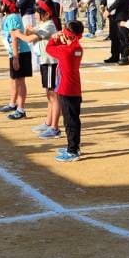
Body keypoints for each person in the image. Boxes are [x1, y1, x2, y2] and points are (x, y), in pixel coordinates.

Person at [15, 0, 63, 136]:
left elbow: (29, 38)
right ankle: (48, 123)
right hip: (45, 63)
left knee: (53, 96)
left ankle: (54, 128)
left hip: (51, 63)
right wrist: (26, 30)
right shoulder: (43, 24)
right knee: (49, 95)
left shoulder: (49, 25)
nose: (35, 14)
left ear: (46, 14)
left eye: (38, 12)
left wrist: (17, 34)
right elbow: (29, 35)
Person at [46, 20, 86, 162]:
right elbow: (69, 45)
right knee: (73, 120)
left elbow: (49, 48)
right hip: (74, 88)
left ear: (68, 35)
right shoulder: (77, 48)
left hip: (66, 89)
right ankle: (74, 147)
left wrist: (54, 38)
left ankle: (72, 151)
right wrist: (63, 38)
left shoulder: (65, 50)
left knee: (70, 122)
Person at [0, 0, 30, 120]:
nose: (0, 6)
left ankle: (21, 109)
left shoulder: (13, 17)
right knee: (14, 79)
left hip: (20, 53)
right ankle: (13, 104)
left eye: (2, 4)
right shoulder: (9, 17)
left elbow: (15, 37)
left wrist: (16, 57)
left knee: (20, 81)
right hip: (14, 53)